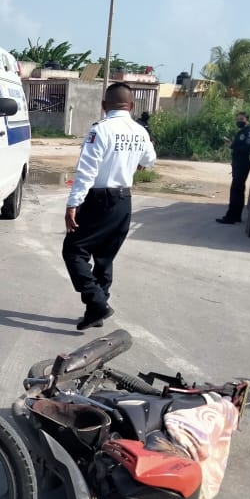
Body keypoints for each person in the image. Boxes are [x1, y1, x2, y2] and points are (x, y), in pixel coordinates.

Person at [63, 83, 156, 331]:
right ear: (132, 106)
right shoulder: (140, 131)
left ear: (104, 106)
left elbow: (87, 171)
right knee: (104, 257)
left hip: (99, 200)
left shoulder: (100, 131)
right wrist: (134, 164)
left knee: (74, 251)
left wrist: (73, 203)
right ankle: (96, 310)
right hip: (124, 200)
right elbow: (150, 160)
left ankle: (97, 302)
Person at [216, 111, 250, 224]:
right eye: (238, 119)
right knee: (239, 190)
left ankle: (231, 217)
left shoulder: (248, 132)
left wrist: (232, 145)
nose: (239, 121)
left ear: (247, 120)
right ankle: (236, 216)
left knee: (235, 190)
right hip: (238, 163)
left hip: (242, 163)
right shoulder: (243, 132)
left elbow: (246, 148)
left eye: (242, 119)